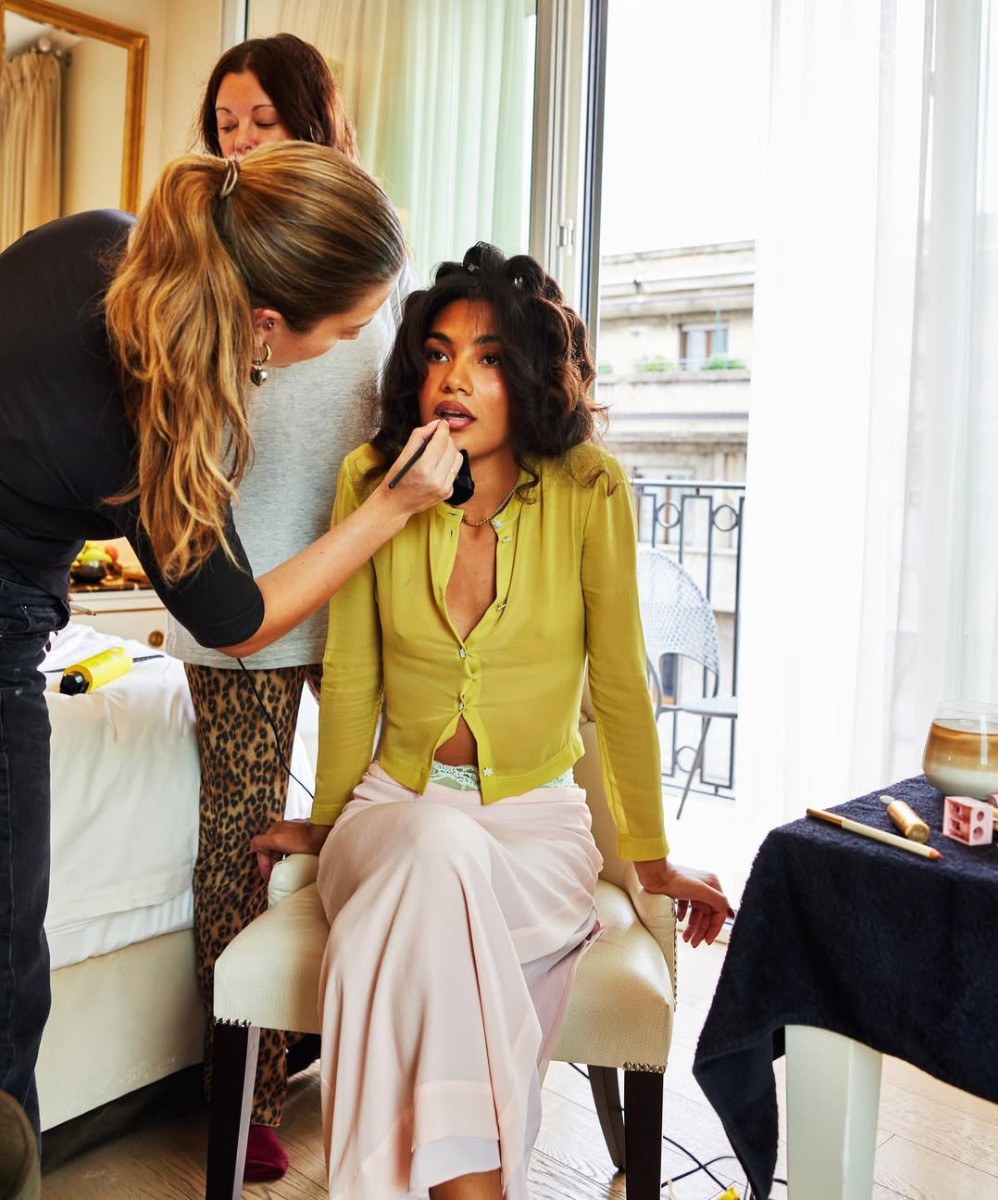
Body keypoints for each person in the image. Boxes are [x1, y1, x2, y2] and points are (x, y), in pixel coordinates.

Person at [0, 139, 464, 1160]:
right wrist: (391, 508)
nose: (353, 349)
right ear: (266, 322)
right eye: (345, 332)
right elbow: (237, 618)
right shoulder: (149, 416)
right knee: (4, 974)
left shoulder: (109, 241)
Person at [253, 244, 731, 1200]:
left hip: (536, 833)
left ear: (533, 376)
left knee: (431, 891)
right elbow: (352, 673)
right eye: (437, 354)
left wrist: (648, 858)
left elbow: (621, 687)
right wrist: (331, 820)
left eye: (488, 357)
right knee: (431, 845)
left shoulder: (590, 488)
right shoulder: (374, 477)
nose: (454, 379)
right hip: (396, 810)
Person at [164, 34, 417, 1180]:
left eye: (262, 120)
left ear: (316, 121)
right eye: (225, 124)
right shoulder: (204, 276)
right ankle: (245, 1092)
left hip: (356, 596)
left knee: (382, 816)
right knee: (239, 843)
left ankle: (374, 1050)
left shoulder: (366, 259)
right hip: (237, 605)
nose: (240, 142)